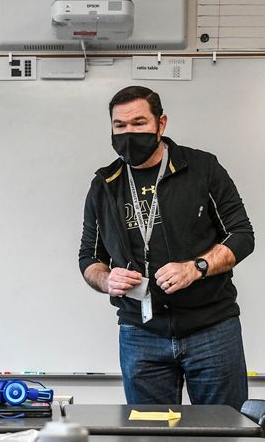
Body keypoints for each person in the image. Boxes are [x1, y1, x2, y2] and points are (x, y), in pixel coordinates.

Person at [78, 85, 255, 409]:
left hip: (211, 328)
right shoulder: (105, 184)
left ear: (161, 124)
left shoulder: (202, 169)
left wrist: (196, 268)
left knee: (226, 434)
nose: (129, 133)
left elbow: (242, 235)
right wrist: (106, 280)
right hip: (140, 333)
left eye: (139, 123)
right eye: (120, 126)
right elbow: (89, 256)